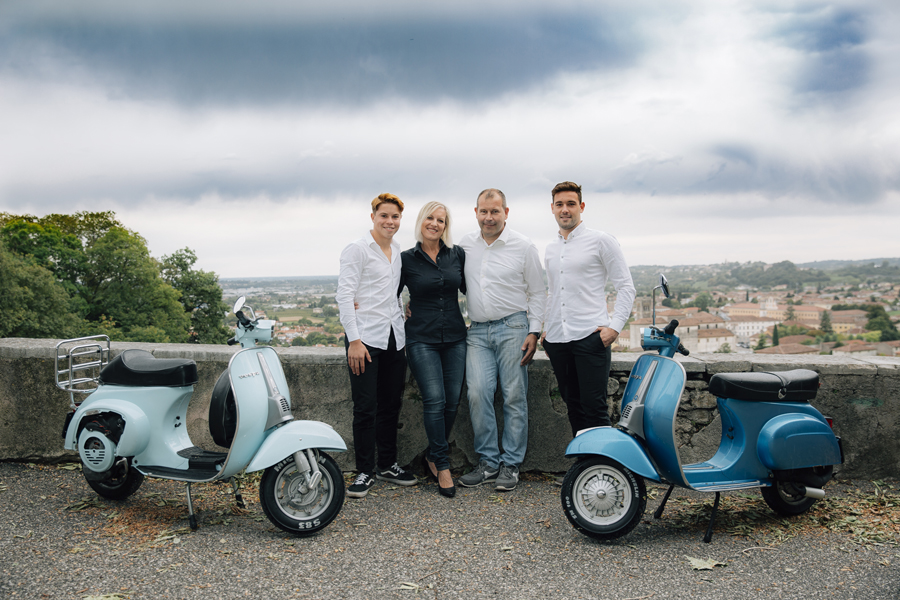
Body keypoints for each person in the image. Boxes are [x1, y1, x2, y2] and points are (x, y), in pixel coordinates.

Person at [457, 188, 546, 492]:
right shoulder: (465, 245)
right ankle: (488, 462)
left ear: (506, 213)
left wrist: (534, 330)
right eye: (484, 211)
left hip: (513, 327)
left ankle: (510, 464)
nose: (489, 217)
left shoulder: (524, 246)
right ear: (476, 212)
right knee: (478, 392)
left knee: (512, 395)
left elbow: (537, 291)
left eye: (495, 211)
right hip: (478, 331)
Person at [337, 193, 418, 498]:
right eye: (384, 215)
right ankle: (364, 471)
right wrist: (354, 341)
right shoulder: (357, 249)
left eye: (395, 217)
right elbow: (344, 296)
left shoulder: (397, 250)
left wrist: (404, 307)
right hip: (365, 339)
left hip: (394, 336)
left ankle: (387, 464)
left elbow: (392, 291)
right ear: (373, 216)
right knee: (365, 407)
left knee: (390, 404)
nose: (390, 222)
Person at [542, 181, 636, 436]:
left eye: (571, 204)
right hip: (558, 340)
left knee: (594, 408)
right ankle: (585, 467)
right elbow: (553, 293)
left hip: (590, 337)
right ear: (552, 208)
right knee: (573, 406)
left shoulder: (601, 241)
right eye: (559, 204)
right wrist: (546, 332)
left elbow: (626, 287)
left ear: (581, 207)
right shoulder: (551, 248)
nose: (565, 209)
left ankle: (602, 470)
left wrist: (614, 328)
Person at [399, 202, 467, 498]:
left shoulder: (457, 255)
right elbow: (386, 292)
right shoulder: (406, 259)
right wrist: (401, 306)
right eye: (430, 217)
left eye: (441, 220)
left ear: (446, 226)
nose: (435, 223)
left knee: (452, 400)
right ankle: (442, 464)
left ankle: (431, 453)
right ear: (421, 221)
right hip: (421, 338)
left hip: (454, 336)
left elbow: (475, 287)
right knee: (435, 399)